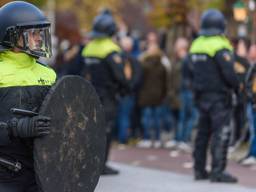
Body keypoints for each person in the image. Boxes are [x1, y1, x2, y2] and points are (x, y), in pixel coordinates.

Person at [0, 1, 56, 191]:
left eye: (40, 33)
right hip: (5, 175)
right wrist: (15, 128)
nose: (39, 38)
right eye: (33, 33)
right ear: (12, 35)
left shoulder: (49, 74)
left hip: (44, 173)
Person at [189, 9, 239, 183]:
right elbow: (229, 73)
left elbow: (188, 71)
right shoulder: (220, 45)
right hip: (219, 97)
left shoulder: (196, 44)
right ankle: (218, 171)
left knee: (202, 134)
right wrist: (238, 87)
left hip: (201, 95)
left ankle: (199, 169)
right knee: (221, 133)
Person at [81, 9, 129, 175]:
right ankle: (101, 165)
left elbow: (84, 73)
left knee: (92, 130)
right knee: (106, 131)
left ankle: (89, 162)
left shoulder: (89, 48)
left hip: (90, 95)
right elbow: (120, 76)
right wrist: (125, 89)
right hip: (108, 97)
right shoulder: (111, 50)